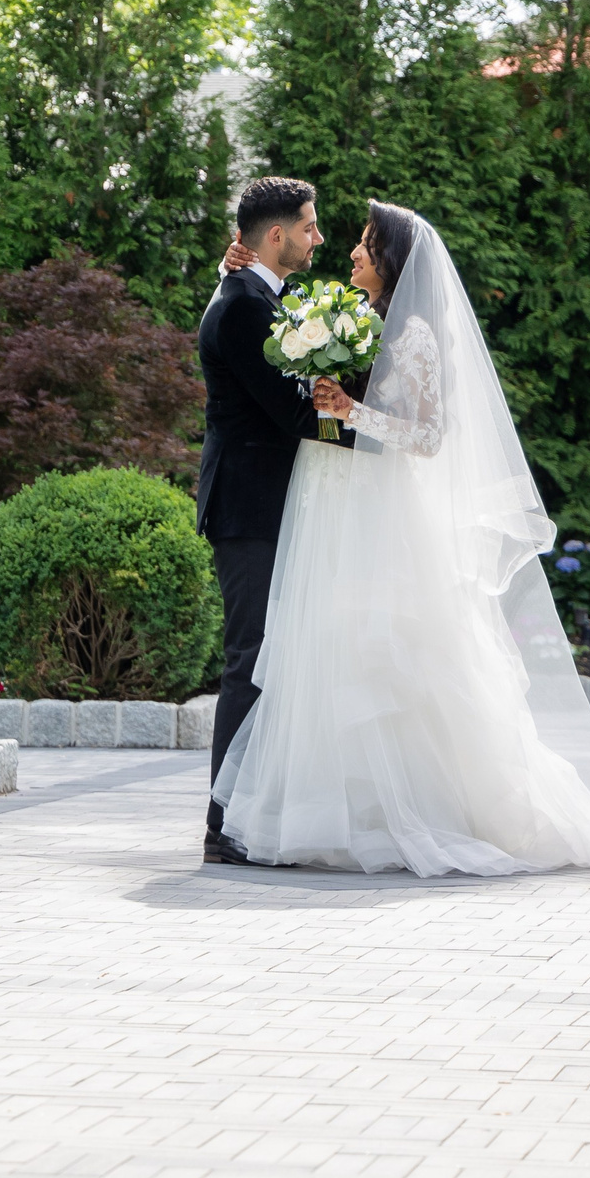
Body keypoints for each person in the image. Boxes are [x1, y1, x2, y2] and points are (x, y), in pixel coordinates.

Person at [210, 202, 590, 876]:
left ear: (389, 260)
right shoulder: (361, 322)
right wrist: (233, 265)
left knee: (395, 658)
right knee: (342, 656)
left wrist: (351, 411)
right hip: (344, 507)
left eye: (362, 245)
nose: (348, 253)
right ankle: (343, 812)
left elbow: (427, 435)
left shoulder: (413, 333)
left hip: (384, 515)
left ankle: (415, 809)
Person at [194, 177, 343, 865]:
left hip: (269, 505)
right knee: (249, 662)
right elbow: (290, 414)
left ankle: (253, 811)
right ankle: (224, 824)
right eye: (310, 228)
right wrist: (369, 429)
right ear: (276, 236)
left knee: (268, 661)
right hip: (249, 507)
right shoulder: (243, 308)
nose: (319, 239)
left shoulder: (261, 296)